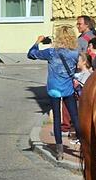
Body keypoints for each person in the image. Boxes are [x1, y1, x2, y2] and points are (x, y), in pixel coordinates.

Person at [27, 28, 82, 158]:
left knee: (57, 119)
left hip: (54, 89)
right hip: (68, 88)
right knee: (75, 117)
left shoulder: (51, 52)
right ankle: (84, 146)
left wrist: (38, 41)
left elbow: (31, 54)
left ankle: (59, 151)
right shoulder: (75, 53)